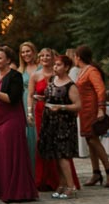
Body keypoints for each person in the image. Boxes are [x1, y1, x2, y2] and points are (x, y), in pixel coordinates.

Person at [0, 45, 36, 203]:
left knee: (12, 153)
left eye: (0, 58)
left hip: (13, 118)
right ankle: (3, 189)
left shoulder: (15, 76)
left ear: (8, 60)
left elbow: (13, 99)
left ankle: (17, 191)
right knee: (1, 154)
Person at [27, 48, 79, 191]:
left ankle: (68, 185)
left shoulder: (68, 82)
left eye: (48, 56)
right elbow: (31, 95)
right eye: (42, 55)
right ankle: (55, 183)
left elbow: (76, 104)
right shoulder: (42, 77)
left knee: (62, 151)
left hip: (61, 118)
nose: (45, 58)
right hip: (45, 115)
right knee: (49, 148)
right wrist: (33, 108)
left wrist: (61, 107)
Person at [74, 45, 109, 188]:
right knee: (90, 140)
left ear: (78, 57)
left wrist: (101, 109)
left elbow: (101, 89)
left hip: (91, 109)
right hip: (84, 110)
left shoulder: (91, 71)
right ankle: (96, 172)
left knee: (93, 140)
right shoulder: (82, 71)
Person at [17, 41, 40, 166]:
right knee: (28, 136)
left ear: (34, 52)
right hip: (25, 103)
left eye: (28, 51)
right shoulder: (21, 70)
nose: (26, 54)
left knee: (39, 135)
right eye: (23, 52)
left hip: (40, 101)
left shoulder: (41, 67)